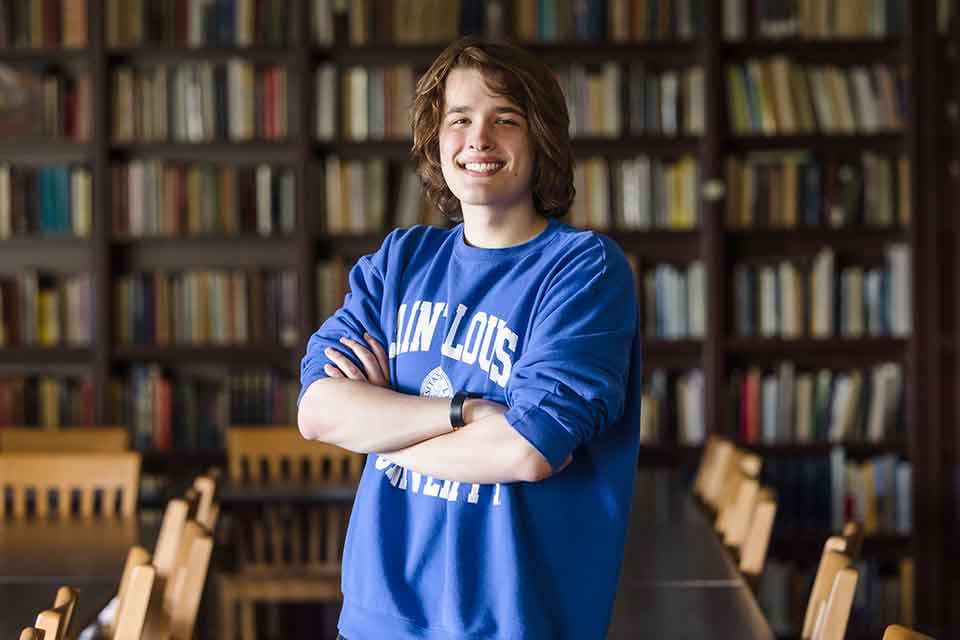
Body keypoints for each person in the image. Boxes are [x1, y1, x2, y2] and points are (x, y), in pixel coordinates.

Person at [298, 36, 642, 640]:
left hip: (515, 620)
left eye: (505, 120)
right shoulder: (401, 261)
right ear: (436, 139)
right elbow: (319, 411)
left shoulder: (584, 270)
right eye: (459, 120)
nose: (478, 140)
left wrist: (384, 435)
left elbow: (526, 451)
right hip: (380, 614)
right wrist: (466, 412)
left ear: (541, 138)